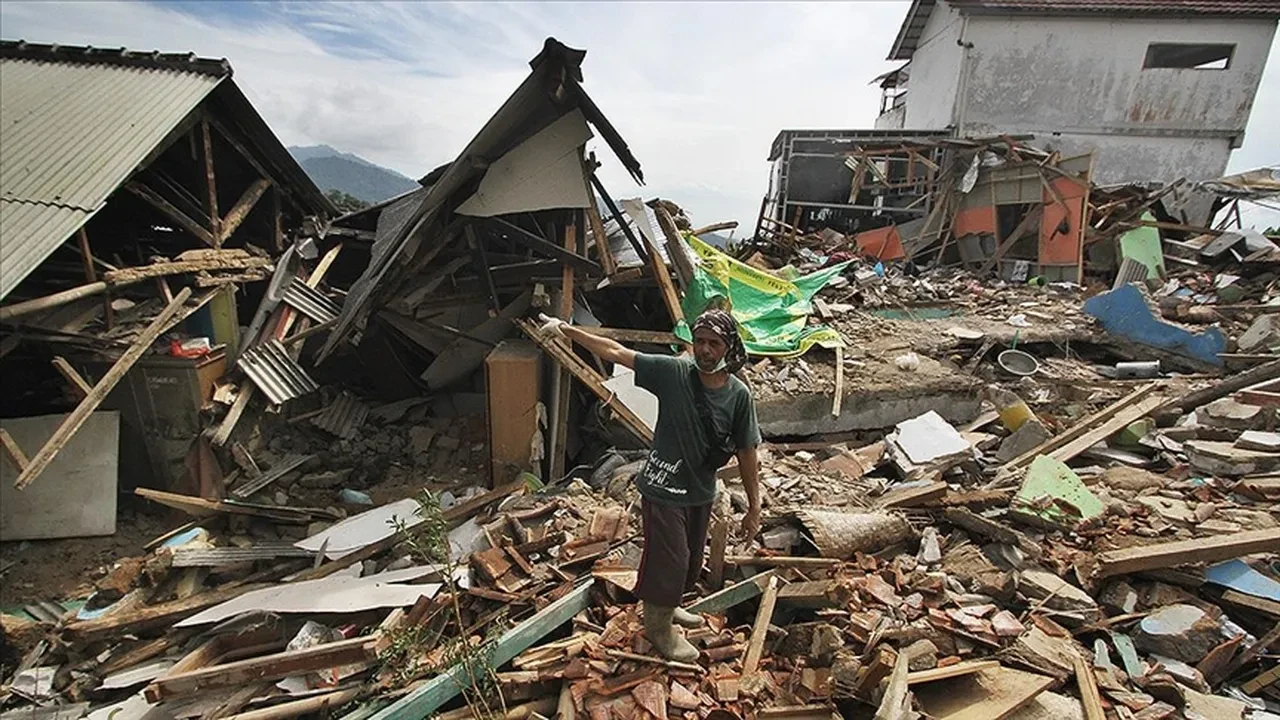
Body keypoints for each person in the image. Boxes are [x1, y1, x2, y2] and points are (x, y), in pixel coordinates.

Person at [539, 309, 761, 662]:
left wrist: (754, 506)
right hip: (662, 485)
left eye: (714, 343)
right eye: (699, 341)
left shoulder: (738, 396)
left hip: (699, 490)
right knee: (671, 561)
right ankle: (658, 627)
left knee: (690, 564)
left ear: (729, 347)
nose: (705, 350)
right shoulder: (673, 373)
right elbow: (615, 351)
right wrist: (566, 329)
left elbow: (747, 451)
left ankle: (668, 606)